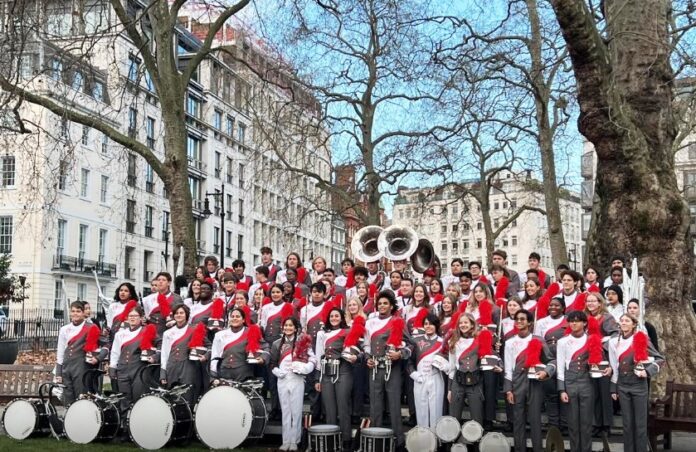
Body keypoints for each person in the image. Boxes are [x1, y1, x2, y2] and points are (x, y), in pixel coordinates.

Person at [609, 313, 665, 452]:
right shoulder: (613, 342)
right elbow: (614, 366)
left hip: (639, 385)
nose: (624, 323)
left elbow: (660, 358)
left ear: (634, 324)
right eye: (622, 321)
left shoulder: (641, 339)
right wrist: (613, 388)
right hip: (622, 385)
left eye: (627, 321)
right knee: (627, 424)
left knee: (640, 424)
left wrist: (647, 372)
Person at [504, 309, 556, 452]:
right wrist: (508, 389)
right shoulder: (509, 343)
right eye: (517, 319)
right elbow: (508, 367)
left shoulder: (538, 339)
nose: (519, 322)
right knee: (518, 420)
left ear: (529, 322)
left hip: (535, 383)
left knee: (535, 420)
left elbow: (552, 360)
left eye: (522, 319)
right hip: (517, 383)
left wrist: (546, 372)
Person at [364, 291, 410, 449]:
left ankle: (399, 442)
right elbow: (366, 345)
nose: (382, 306)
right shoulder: (370, 322)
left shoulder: (398, 321)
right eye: (380, 304)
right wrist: (367, 358)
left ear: (391, 306)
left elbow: (410, 345)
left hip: (393, 368)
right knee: (375, 404)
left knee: (394, 404)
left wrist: (400, 354)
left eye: (385, 303)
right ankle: (376, 439)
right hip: (375, 368)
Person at [314, 307, 360, 450]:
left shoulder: (347, 331)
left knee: (343, 406)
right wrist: (317, 378)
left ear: (341, 318)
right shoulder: (322, 334)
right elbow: (318, 356)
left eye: (337, 316)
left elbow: (357, 350)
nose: (334, 318)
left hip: (344, 372)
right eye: (332, 316)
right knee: (329, 408)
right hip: (326, 373)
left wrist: (354, 356)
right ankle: (331, 439)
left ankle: (346, 439)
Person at [557, 310, 602, 452]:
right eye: (571, 321)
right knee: (573, 424)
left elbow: (599, 361)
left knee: (586, 423)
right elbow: (560, 366)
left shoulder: (592, 339)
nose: (574, 323)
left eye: (577, 320)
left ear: (584, 323)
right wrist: (561, 389)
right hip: (569, 384)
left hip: (586, 383)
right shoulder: (562, 341)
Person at [270, 317, 316, 451]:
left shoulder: (303, 342)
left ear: (296, 328)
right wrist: (277, 371)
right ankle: (285, 440)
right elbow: (272, 363)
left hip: (297, 378)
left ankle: (295, 440)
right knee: (285, 410)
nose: (288, 328)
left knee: (296, 411)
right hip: (283, 379)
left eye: (291, 325)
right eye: (285, 325)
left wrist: (306, 369)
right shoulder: (277, 343)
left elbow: (312, 359)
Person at [447, 313, 496, 424]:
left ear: (472, 324)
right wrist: (450, 389)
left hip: (476, 381)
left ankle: (476, 441)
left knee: (477, 417)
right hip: (457, 380)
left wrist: (498, 365)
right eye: (460, 323)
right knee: (454, 417)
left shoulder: (479, 339)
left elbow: (492, 355)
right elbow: (452, 366)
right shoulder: (453, 341)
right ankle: (453, 440)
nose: (463, 325)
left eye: (465, 322)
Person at [109, 305, 158, 412]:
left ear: (141, 318)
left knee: (138, 398)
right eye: (130, 316)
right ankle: (125, 425)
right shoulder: (120, 334)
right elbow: (115, 352)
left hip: (139, 369)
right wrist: (112, 367)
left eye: (135, 316)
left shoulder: (147, 330)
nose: (132, 318)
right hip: (122, 370)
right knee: (124, 399)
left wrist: (154, 356)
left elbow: (161, 345)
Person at [584, 292, 620, 435]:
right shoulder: (585, 318)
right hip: (588, 358)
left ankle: (606, 426)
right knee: (593, 394)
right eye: (588, 301)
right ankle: (596, 423)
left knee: (604, 393)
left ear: (600, 303)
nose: (590, 303)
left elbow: (616, 334)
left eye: (593, 301)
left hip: (602, 358)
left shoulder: (607, 317)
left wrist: (601, 341)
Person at [56, 301, 103, 406]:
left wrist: (98, 358)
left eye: (78, 311)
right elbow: (60, 350)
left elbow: (105, 345)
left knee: (81, 397)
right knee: (67, 397)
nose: (75, 314)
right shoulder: (64, 329)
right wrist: (59, 372)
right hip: (67, 367)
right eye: (73, 311)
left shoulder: (91, 327)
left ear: (83, 313)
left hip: (82, 367)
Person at [160, 304, 206, 405]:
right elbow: (164, 354)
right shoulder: (167, 333)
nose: (179, 315)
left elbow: (209, 347)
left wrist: (204, 356)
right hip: (172, 367)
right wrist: (163, 373)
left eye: (181, 313)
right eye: (176, 313)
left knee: (187, 397)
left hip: (188, 367)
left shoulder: (194, 329)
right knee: (172, 398)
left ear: (186, 315)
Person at [408, 313, 449, 428]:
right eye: (426, 324)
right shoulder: (416, 340)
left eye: (431, 324)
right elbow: (408, 361)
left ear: (436, 326)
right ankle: (423, 438)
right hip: (419, 378)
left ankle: (436, 439)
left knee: (436, 410)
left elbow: (448, 362)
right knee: (421, 410)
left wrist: (444, 365)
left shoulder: (443, 342)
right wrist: (414, 374)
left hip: (436, 378)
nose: (428, 326)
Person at [533, 297, 568, 430]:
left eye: (557, 305)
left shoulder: (568, 321)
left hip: (563, 359)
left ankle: (565, 423)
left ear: (563, 308)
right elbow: (537, 342)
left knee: (564, 392)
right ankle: (553, 424)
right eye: (551, 305)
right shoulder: (542, 322)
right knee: (551, 393)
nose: (553, 307)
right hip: (547, 359)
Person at [210, 307, 268, 381]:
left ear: (243, 320)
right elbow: (215, 354)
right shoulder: (219, 335)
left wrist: (263, 358)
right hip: (223, 372)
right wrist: (214, 375)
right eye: (232, 316)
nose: (234, 318)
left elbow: (266, 347)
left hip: (243, 373)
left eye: (237, 316)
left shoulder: (251, 332)